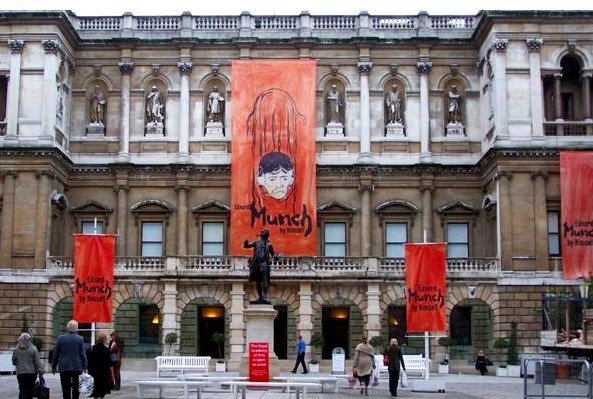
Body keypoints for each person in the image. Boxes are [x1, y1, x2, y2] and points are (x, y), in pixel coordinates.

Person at [52, 319, 87, 399]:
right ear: (76, 328)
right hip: (77, 367)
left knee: (65, 388)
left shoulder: (61, 338)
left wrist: (54, 366)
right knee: (76, 388)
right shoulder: (80, 339)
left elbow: (56, 353)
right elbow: (82, 354)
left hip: (64, 366)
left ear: (67, 327)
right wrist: (84, 366)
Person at [243, 228, 279, 304]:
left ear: (266, 234)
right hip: (257, 264)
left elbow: (273, 254)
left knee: (265, 280)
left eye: (263, 232)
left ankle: (264, 297)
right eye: (261, 231)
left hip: (265, 264)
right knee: (258, 281)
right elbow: (247, 246)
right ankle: (260, 297)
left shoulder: (269, 245)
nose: (261, 232)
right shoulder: (256, 242)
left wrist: (276, 257)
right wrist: (245, 243)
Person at [12, 332, 44, 399]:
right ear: (29, 339)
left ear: (20, 339)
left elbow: (14, 362)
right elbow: (37, 361)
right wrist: (40, 370)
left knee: (22, 389)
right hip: (32, 373)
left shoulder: (16, 349)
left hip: (20, 372)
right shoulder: (33, 348)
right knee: (30, 390)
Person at [88, 332, 114, 399]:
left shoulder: (93, 348)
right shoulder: (106, 350)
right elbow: (109, 364)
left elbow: (90, 360)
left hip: (94, 372)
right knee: (102, 389)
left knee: (95, 388)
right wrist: (112, 375)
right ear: (104, 339)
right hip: (103, 372)